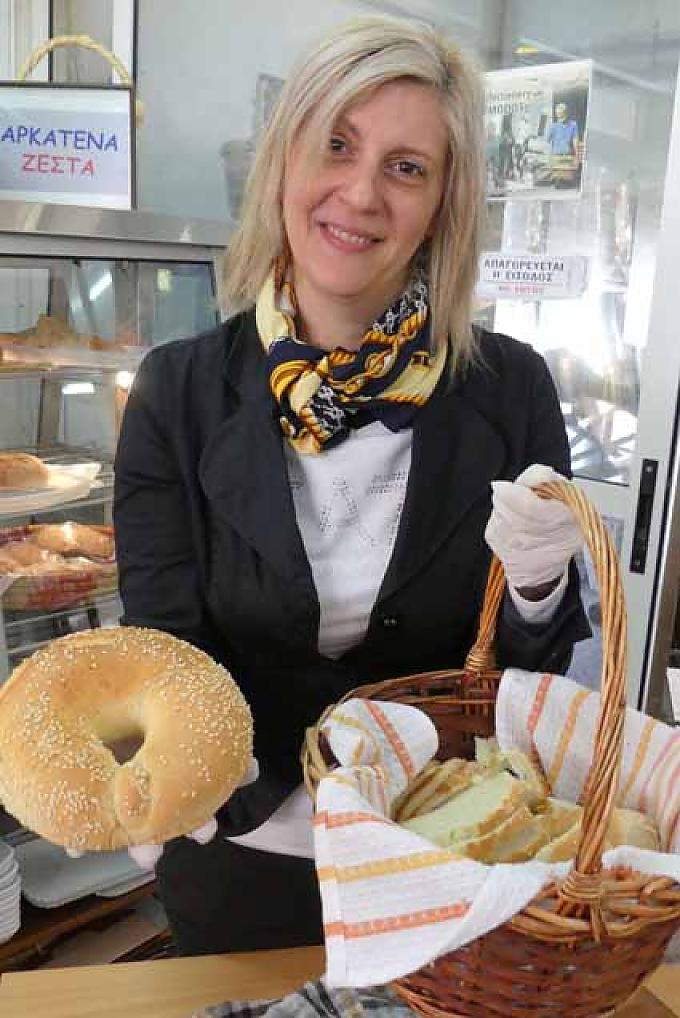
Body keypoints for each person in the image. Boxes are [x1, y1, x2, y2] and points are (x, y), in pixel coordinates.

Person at [113, 15, 590, 957]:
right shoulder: (177, 392)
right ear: (284, 160)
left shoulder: (510, 388)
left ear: (442, 204)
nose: (361, 193)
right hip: (239, 854)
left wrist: (539, 585)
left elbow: (527, 672)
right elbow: (166, 643)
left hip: (444, 857)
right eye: (337, 144)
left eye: (407, 167)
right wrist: (177, 773)